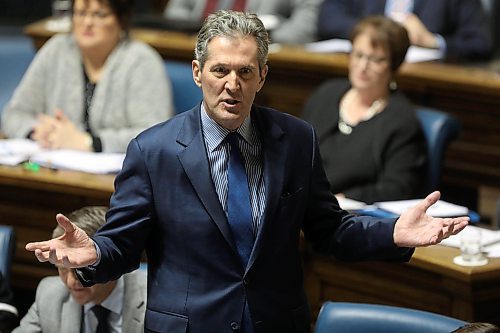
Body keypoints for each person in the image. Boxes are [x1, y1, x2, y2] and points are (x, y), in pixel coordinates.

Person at [25, 10, 468, 333]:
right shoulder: (154, 150)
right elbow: (122, 245)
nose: (232, 85)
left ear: (263, 76)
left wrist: (392, 233)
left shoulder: (296, 140)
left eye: (245, 72)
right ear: (198, 73)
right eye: (220, 71)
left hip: (276, 323)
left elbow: (329, 230)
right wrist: (93, 256)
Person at [1, 0, 173, 153]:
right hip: (54, 168)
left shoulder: (142, 61)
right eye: (81, 13)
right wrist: (38, 131)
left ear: (121, 20)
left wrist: (89, 142)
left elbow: (156, 135)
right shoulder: (56, 50)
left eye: (99, 15)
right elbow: (13, 114)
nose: (87, 22)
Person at [302, 16, 427, 204]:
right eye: (358, 55)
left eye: (375, 60)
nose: (363, 66)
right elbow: (293, 151)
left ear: (393, 66)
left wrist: (344, 200)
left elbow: (398, 187)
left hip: (351, 218)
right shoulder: (326, 94)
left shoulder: (401, 120)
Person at [14, 206, 147, 333]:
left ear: (108, 260)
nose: (71, 282)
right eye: (63, 269)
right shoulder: (50, 294)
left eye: (81, 270)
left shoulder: (152, 300)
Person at [316, 0, 493, 61]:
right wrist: (375, 33)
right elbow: (328, 19)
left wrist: (431, 41)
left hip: (425, 84)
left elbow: (481, 43)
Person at [163, 0, 321, 44]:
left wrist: (256, 40)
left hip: (268, 63)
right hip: (192, 49)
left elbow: (304, 27)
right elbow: (175, 12)